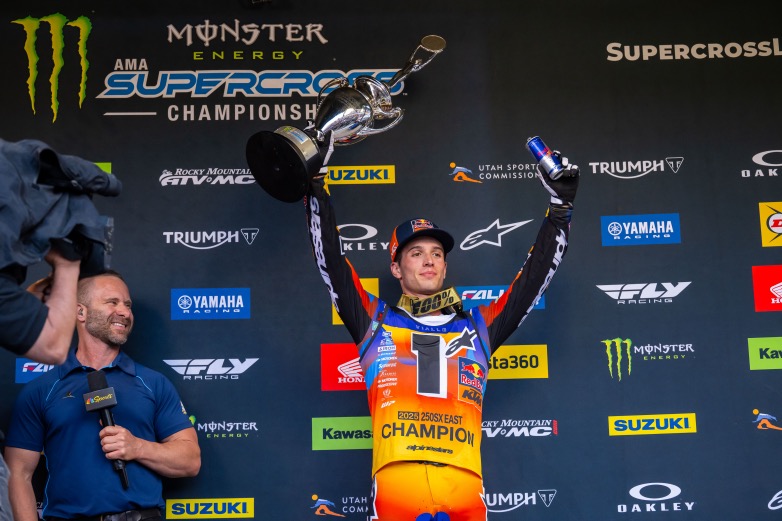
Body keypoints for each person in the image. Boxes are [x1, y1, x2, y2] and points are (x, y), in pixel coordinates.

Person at [304, 143, 579, 521]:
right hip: (398, 485)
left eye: (436, 253)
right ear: (396, 269)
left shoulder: (478, 327)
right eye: (416, 253)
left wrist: (560, 211)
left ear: (446, 268)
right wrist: (316, 188)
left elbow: (533, 281)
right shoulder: (374, 321)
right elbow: (332, 264)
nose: (429, 260)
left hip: (463, 486)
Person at [4, 271, 201, 521]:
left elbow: (190, 460)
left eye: (127, 305)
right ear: (80, 312)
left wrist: (137, 447)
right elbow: (18, 473)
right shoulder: (42, 389)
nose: (124, 312)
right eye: (112, 302)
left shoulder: (153, 383)